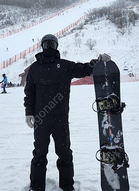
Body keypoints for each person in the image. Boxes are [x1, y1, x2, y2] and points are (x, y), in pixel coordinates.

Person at [24, 34, 110, 191]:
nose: (49, 47)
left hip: (60, 119)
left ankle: (67, 186)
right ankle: (36, 186)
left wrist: (97, 62)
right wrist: (29, 113)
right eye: (46, 44)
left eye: (52, 44)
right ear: (42, 46)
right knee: (39, 154)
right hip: (41, 118)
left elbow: (84, 69)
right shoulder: (35, 69)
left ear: (56, 46)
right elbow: (29, 92)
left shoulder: (64, 66)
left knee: (64, 154)